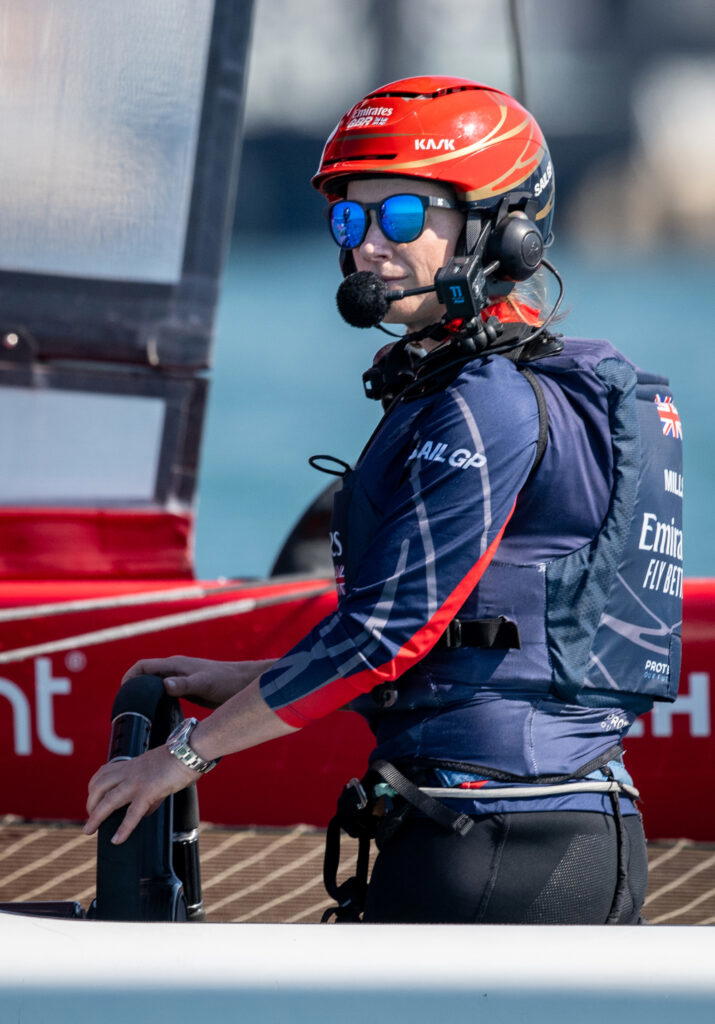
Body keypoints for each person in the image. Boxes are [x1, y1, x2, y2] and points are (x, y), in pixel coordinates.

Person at [85, 76, 683, 925]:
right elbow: (466, 646)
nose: (368, 245)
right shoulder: (516, 389)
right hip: (561, 830)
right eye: (350, 218)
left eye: (402, 216)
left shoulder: (484, 404)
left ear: (501, 229)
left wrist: (179, 758)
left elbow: (384, 635)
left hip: (487, 845)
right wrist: (248, 680)